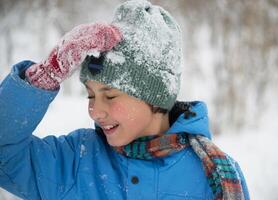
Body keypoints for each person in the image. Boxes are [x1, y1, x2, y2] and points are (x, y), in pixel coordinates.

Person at [0, 0, 250, 199]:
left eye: (109, 95)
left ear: (155, 96)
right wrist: (44, 76)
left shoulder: (213, 177)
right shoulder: (75, 161)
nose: (95, 111)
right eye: (90, 94)